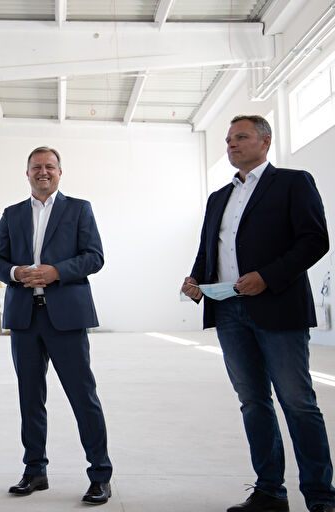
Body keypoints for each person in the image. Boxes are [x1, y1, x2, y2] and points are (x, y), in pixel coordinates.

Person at [182, 115, 334, 512]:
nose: (231, 144)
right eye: (228, 139)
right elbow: (209, 249)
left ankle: (321, 497)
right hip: (228, 311)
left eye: (241, 137)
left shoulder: (293, 183)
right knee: (253, 402)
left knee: (297, 401)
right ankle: (269, 492)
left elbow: (315, 240)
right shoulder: (219, 197)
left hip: (278, 307)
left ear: (265, 142)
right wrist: (196, 279)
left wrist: (267, 277)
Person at [0, 146, 113, 504]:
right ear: (27, 173)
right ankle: (34, 471)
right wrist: (15, 272)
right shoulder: (12, 214)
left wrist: (57, 271)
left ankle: (100, 474)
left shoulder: (79, 209)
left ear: (60, 172)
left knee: (83, 396)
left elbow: (94, 257)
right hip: (25, 318)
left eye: (50, 167)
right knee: (30, 398)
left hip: (67, 317)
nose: (43, 172)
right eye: (36, 167)